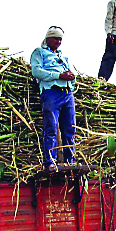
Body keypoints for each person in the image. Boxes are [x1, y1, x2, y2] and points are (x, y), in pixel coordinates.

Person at [30, 26, 76, 171]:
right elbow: (36, 71)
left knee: (70, 128)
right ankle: (50, 161)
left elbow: (70, 73)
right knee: (51, 127)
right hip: (51, 92)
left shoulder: (62, 57)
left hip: (67, 93)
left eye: (60, 39)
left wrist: (71, 79)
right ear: (48, 38)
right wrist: (58, 76)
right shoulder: (39, 52)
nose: (58, 41)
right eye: (56, 38)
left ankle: (70, 160)